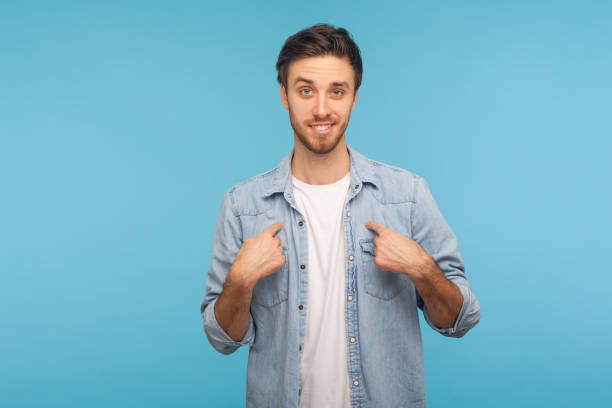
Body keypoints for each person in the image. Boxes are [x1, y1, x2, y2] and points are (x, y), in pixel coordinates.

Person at [200, 23, 480, 408]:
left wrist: (422, 268)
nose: (320, 109)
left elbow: (460, 320)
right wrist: (239, 282)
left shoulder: (408, 196)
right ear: (284, 95)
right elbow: (222, 339)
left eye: (336, 91)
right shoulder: (242, 205)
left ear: (354, 98)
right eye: (305, 90)